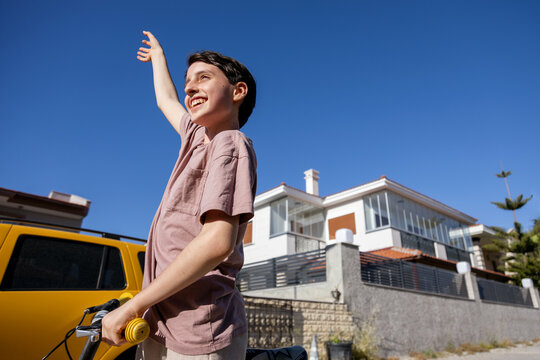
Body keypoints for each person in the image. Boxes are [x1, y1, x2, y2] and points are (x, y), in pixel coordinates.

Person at [101, 30, 257, 360]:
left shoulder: (229, 143)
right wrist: (158, 57)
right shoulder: (195, 139)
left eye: (203, 78)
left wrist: (136, 304)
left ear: (237, 91)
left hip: (199, 327)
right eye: (188, 80)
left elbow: (217, 242)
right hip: (164, 320)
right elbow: (166, 100)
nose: (190, 87)